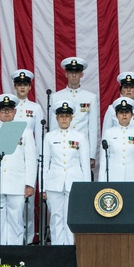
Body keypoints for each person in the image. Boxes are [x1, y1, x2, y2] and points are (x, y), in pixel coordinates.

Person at [0, 94, 37, 245]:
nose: (6, 113)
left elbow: (31, 159)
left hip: (17, 183)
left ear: (15, 112)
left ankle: (14, 255)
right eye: (3, 110)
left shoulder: (25, 132)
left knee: (16, 221)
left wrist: (30, 183)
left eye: (10, 110)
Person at [43, 103, 90, 245]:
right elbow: (45, 163)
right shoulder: (49, 137)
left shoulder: (80, 137)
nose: (64, 119)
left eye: (67, 116)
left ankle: (71, 249)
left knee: (72, 217)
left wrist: (86, 187)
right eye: (61, 116)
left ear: (71, 118)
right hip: (54, 182)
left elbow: (85, 164)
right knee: (56, 218)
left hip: (74, 182)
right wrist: (43, 187)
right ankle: (57, 249)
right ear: (57, 118)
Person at [10, 68, 46, 243]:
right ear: (15, 87)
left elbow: (39, 135)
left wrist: (39, 159)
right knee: (13, 200)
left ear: (30, 87)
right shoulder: (9, 106)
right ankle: (14, 238)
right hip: (13, 158)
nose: (22, 88)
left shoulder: (35, 108)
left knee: (29, 202)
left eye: (25, 85)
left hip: (30, 159)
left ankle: (30, 238)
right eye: (19, 85)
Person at [50, 57, 99, 171]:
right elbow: (53, 126)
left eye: (76, 72)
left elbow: (92, 129)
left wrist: (91, 155)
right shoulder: (56, 97)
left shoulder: (90, 97)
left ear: (81, 74)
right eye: (71, 72)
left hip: (82, 148)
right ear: (66, 74)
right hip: (61, 147)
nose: (74, 75)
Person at [99, 98, 134, 188]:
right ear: (116, 115)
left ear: (131, 115)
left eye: (127, 112)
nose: (124, 115)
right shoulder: (109, 133)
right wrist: (101, 181)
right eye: (121, 112)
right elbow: (104, 160)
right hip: (114, 177)